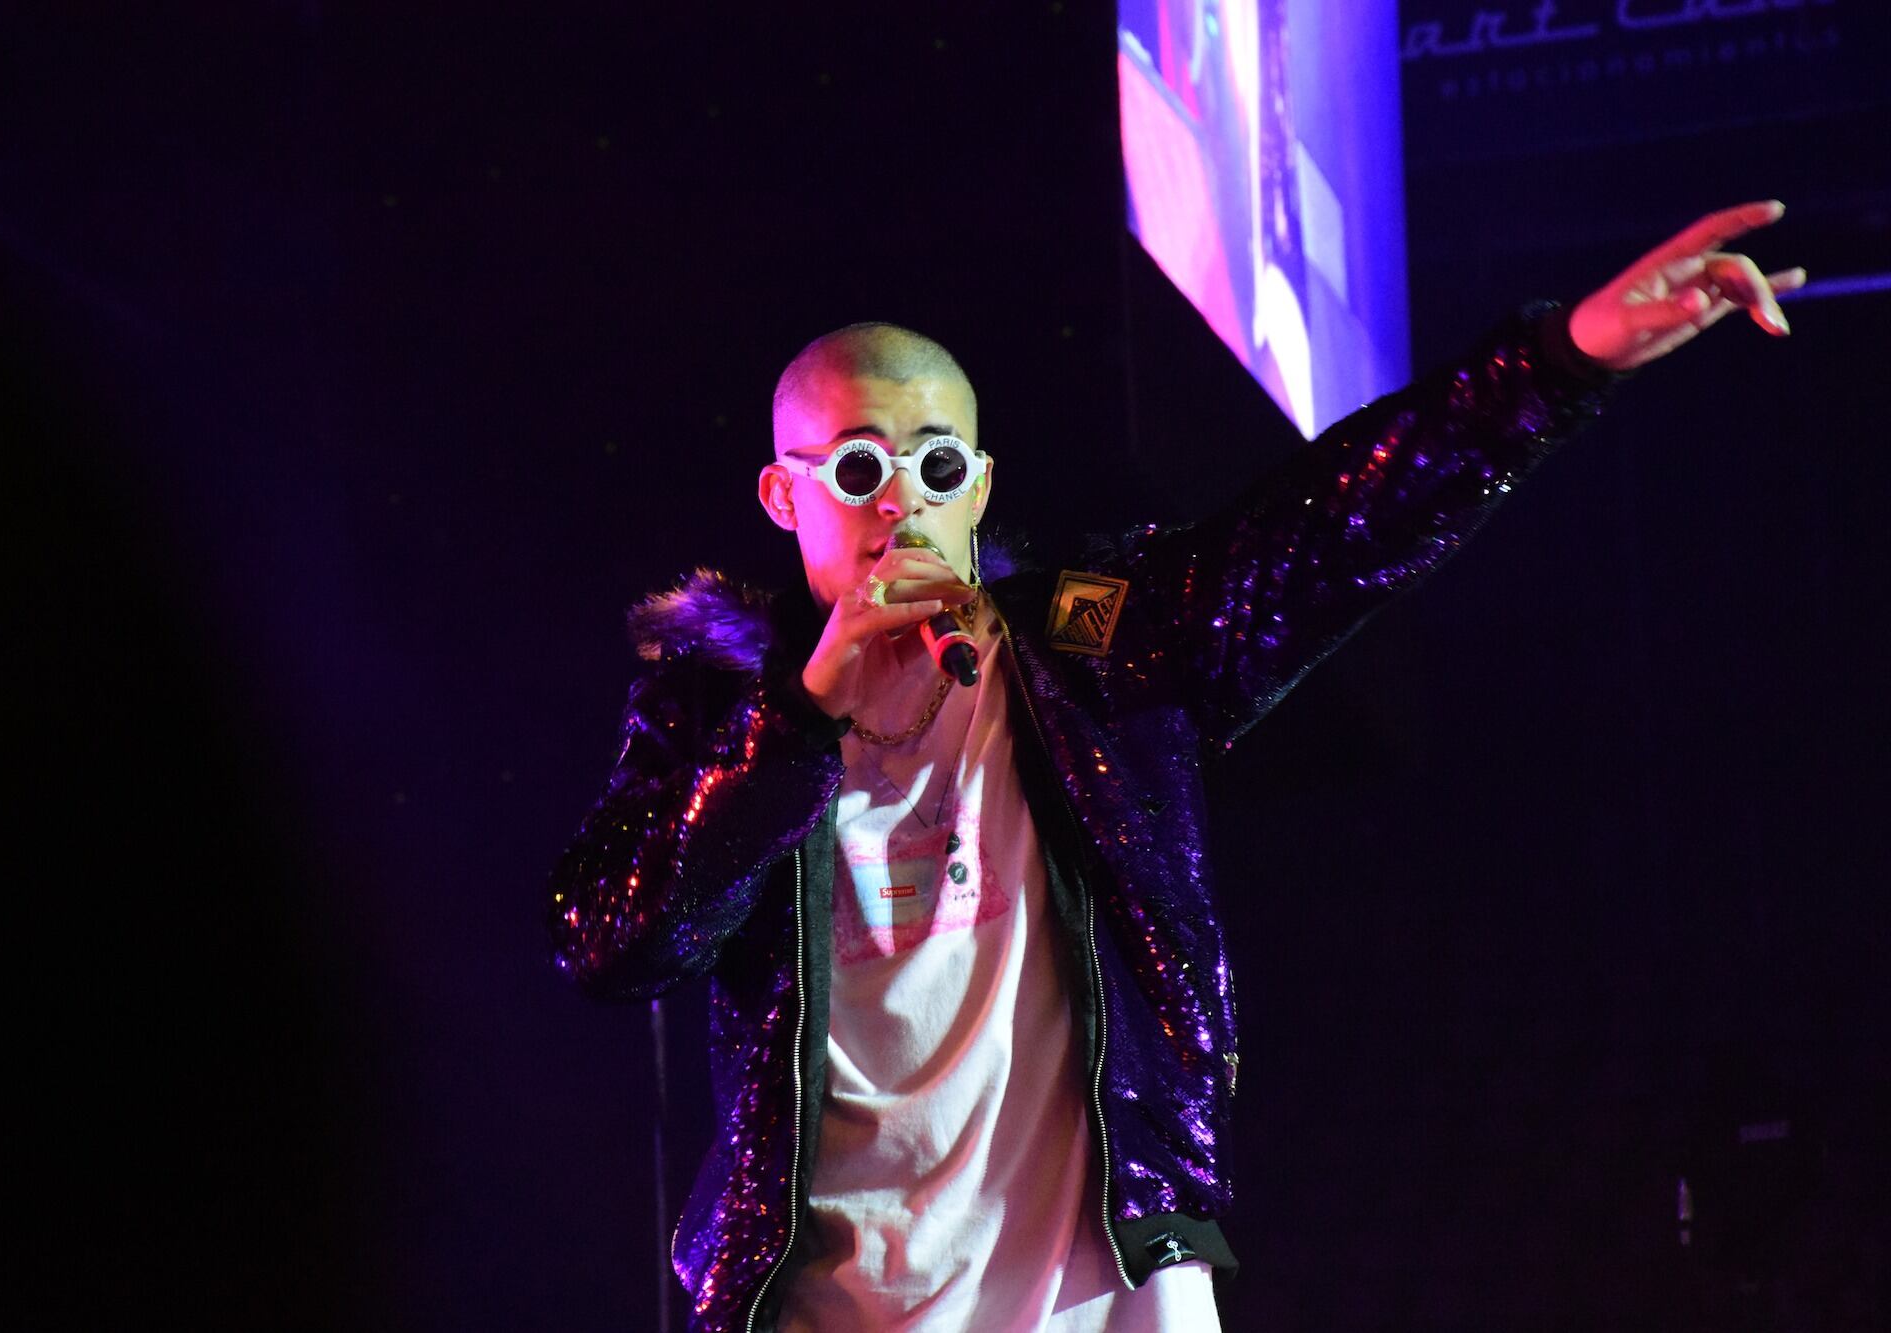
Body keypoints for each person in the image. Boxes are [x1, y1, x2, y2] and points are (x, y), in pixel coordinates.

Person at [548, 201, 1802, 1332]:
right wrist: (800, 715)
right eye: (858, 467)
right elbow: (609, 938)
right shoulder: (715, 710)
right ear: (784, 496)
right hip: (832, 1302)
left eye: (934, 465)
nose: (899, 504)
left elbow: (1315, 534)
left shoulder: (1081, 640)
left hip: (1102, 1291)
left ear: (976, 489)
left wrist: (1555, 362)